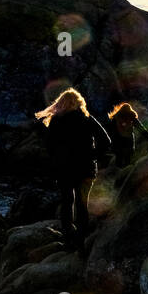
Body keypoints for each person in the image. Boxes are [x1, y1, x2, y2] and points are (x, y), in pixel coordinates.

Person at [34, 88, 111, 250]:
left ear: (61, 103)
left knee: (67, 202)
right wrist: (93, 156)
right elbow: (106, 141)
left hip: (64, 169)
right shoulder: (87, 119)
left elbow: (49, 147)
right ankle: (81, 241)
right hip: (86, 168)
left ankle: (68, 239)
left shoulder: (55, 121)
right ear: (78, 103)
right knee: (83, 205)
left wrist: (56, 161)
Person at [106, 102, 148, 167]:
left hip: (118, 141)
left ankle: (118, 173)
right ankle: (127, 172)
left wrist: (109, 143)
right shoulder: (132, 117)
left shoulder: (115, 118)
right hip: (129, 141)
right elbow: (140, 128)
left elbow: (109, 131)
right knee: (128, 158)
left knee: (119, 158)